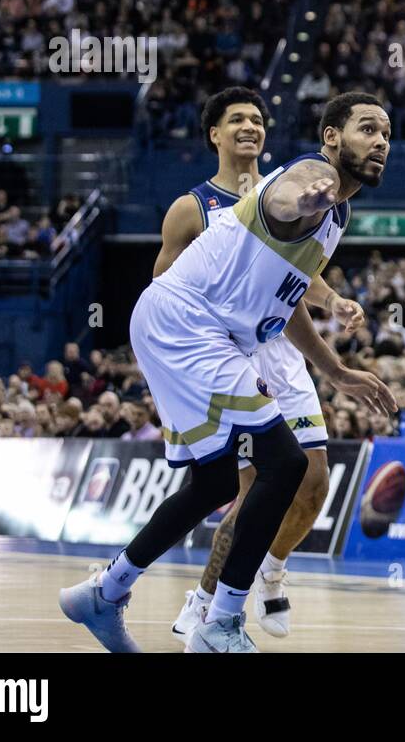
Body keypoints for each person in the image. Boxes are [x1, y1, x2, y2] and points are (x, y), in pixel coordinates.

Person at [58, 92, 397, 654]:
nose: (380, 141)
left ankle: (105, 591)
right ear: (332, 137)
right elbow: (287, 197)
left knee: (215, 482)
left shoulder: (337, 213)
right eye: (367, 129)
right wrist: (299, 198)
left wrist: (336, 369)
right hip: (190, 324)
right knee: (285, 463)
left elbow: (285, 299)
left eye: (386, 132)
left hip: (199, 331)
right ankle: (219, 623)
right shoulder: (312, 178)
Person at [158, 87, 374, 643]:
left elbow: (295, 277)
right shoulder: (193, 207)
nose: (251, 127)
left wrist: (331, 302)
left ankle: (271, 571)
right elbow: (165, 290)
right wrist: (173, 372)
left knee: (314, 481)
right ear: (215, 134)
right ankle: (207, 603)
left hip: (279, 340)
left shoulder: (298, 186)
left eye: (258, 119)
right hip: (222, 346)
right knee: (258, 483)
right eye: (237, 120)